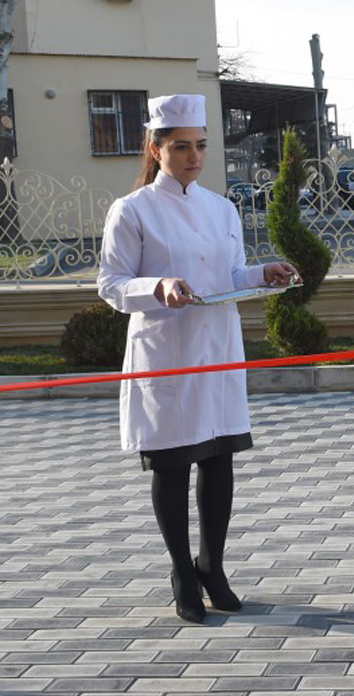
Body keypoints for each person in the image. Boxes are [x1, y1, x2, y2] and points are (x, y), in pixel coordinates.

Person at [97, 94, 297, 625]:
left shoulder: (221, 208)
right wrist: (157, 285)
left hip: (217, 347)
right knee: (172, 461)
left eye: (201, 146)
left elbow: (227, 280)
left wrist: (261, 273)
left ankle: (213, 565)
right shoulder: (132, 210)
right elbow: (111, 286)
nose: (193, 156)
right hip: (166, 353)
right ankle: (182, 572)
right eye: (181, 146)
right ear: (156, 148)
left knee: (218, 456)